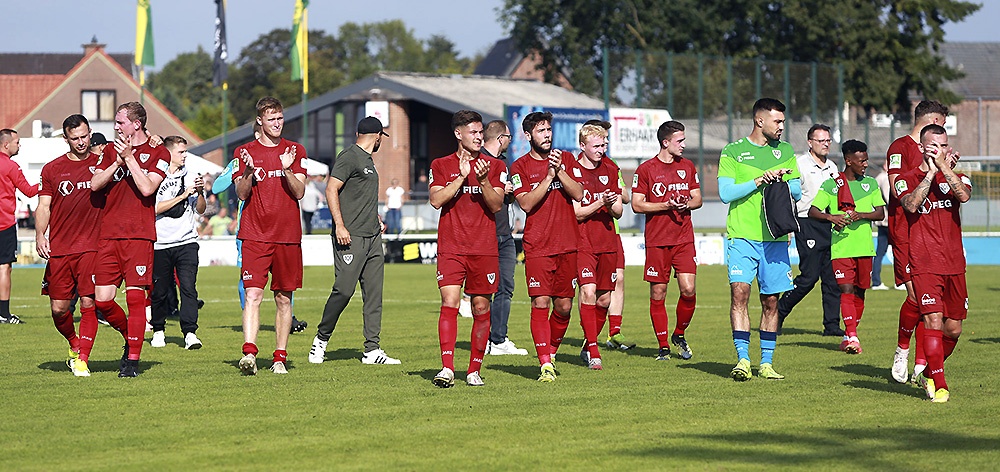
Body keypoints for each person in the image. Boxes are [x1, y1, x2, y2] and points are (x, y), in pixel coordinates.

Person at [36, 115, 127, 376]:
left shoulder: (102, 163)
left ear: (90, 133)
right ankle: (74, 343)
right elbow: (44, 206)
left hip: (94, 247)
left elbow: (137, 145)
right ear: (66, 139)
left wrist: (153, 138)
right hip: (61, 248)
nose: (81, 142)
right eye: (75, 138)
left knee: (89, 302)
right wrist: (40, 235)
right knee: (59, 309)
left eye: (84, 136)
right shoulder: (52, 169)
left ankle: (83, 358)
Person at [717, 98, 801, 382]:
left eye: (783, 121)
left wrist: (781, 179)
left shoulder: (785, 151)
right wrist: (759, 180)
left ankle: (766, 363)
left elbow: (797, 192)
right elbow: (726, 193)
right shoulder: (733, 151)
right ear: (759, 120)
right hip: (742, 236)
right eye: (777, 121)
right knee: (739, 293)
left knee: (771, 302)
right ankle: (743, 359)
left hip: (775, 239)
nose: (782, 126)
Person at [309, 116, 400, 366]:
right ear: (377, 136)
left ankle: (372, 350)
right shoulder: (349, 156)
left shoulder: (368, 161)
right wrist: (339, 225)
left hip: (373, 237)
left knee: (374, 295)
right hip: (351, 236)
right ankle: (321, 340)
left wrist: (375, 217)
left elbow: (360, 197)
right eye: (381, 138)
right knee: (344, 290)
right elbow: (331, 189)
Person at [89, 102, 170, 377]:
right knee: (102, 300)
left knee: (136, 300)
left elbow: (147, 188)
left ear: (136, 124)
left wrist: (131, 159)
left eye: (120, 122)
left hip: (139, 235)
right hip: (109, 235)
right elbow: (95, 184)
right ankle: (130, 336)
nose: (115, 127)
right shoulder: (110, 151)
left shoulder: (159, 152)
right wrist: (117, 161)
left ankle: (132, 360)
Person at [428, 110, 505, 387]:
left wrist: (483, 181)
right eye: (473, 132)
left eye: (481, 131)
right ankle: (447, 368)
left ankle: (474, 370)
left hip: (484, 248)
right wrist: (461, 178)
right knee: (449, 302)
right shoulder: (440, 164)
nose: (479, 136)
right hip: (451, 247)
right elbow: (436, 200)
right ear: (458, 134)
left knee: (481, 306)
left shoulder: (495, 165)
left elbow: (496, 205)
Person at [897, 124, 971, 403]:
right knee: (933, 320)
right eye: (933, 147)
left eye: (943, 146)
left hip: (954, 263)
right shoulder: (905, 179)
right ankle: (940, 384)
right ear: (921, 148)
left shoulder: (957, 176)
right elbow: (911, 205)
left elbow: (963, 195)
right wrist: (929, 173)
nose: (939, 151)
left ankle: (929, 371)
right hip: (924, 262)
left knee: (954, 329)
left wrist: (943, 169)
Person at [233, 97, 307, 375]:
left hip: (287, 236)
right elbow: (241, 194)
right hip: (255, 235)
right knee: (253, 294)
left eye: (280, 118)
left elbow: (299, 192)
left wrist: (286, 168)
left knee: (284, 299)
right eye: (271, 119)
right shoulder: (244, 152)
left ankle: (279, 357)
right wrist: (248, 172)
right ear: (260, 121)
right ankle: (249, 353)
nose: (277, 123)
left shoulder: (295, 150)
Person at [509, 111, 584, 382]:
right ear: (528, 136)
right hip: (538, 245)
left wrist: (559, 171)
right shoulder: (519, 167)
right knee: (540, 302)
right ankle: (545, 363)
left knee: (564, 306)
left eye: (549, 130)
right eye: (541, 131)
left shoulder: (567, 159)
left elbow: (579, 193)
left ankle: (550, 353)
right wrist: (548, 177)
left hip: (568, 244)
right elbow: (527, 204)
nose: (547, 135)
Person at [213, 122, 308, 335]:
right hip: (249, 228)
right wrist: (241, 171)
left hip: (280, 231)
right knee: (248, 281)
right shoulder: (243, 156)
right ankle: (248, 312)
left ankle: (289, 317)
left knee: (283, 287)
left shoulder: (288, 152)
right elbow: (218, 187)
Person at [887, 100, 949, 384]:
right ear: (933, 121)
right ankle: (903, 349)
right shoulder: (900, 147)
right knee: (916, 297)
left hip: (933, 237)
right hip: (905, 233)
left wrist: (947, 169)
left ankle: (923, 364)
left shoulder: (940, 153)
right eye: (942, 124)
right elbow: (896, 189)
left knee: (932, 303)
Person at [631, 120, 702, 361]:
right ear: (665, 142)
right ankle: (663, 346)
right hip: (657, 240)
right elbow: (637, 204)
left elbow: (698, 199)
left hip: (683, 239)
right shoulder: (646, 169)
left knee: (689, 289)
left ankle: (679, 334)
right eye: (679, 141)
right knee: (658, 292)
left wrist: (685, 204)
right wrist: (666, 205)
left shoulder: (688, 166)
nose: (683, 145)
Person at [807, 140, 885, 354]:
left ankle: (848, 336)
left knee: (860, 291)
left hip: (864, 248)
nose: (865, 164)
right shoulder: (831, 185)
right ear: (849, 161)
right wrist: (831, 217)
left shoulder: (870, 184)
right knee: (846, 289)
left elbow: (880, 213)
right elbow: (813, 211)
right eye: (861, 161)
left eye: (866, 160)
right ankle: (853, 336)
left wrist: (861, 215)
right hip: (841, 247)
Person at [776, 124, 842, 336]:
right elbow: (789, 197)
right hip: (806, 222)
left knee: (832, 278)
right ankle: (778, 312)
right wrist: (787, 227)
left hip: (828, 223)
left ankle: (831, 326)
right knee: (809, 277)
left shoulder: (832, 167)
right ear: (810, 142)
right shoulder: (799, 164)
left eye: (828, 140)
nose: (826, 144)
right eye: (821, 140)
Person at [573, 123, 622, 370]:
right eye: (596, 146)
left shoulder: (610, 169)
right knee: (588, 292)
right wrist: (601, 202)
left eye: (604, 145)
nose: (602, 150)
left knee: (603, 300)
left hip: (607, 241)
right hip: (582, 243)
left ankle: (586, 346)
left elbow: (619, 211)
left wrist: (611, 203)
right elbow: (577, 213)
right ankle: (594, 351)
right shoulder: (573, 171)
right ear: (583, 146)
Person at [150, 136, 205, 350]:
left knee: (189, 288)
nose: (185, 156)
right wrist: (182, 196)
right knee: (160, 291)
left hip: (187, 241)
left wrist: (200, 193)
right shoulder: (155, 176)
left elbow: (200, 209)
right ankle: (158, 330)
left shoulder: (191, 175)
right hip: (161, 243)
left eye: (185, 151)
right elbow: (154, 209)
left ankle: (190, 333)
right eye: (181, 152)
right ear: (169, 153)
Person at [481, 119, 528, 356]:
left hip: (505, 235)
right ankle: (485, 341)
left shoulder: (502, 162)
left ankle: (498, 339)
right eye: (509, 137)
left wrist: (509, 192)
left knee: (505, 287)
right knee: (484, 290)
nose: (510, 141)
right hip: (485, 235)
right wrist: (501, 189)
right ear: (501, 138)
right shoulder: (480, 161)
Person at [0, 129, 39, 324]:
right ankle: (4, 314)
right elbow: (29, 191)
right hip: (4, 224)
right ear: (6, 144)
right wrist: (49, 182)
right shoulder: (10, 166)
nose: (19, 145)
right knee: (4, 267)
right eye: (17, 142)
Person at [871, 161, 891, 290]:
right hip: (887, 220)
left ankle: (876, 281)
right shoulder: (885, 178)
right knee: (895, 250)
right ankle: (877, 281)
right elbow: (889, 199)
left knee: (880, 251)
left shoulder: (878, 178)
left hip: (882, 220)